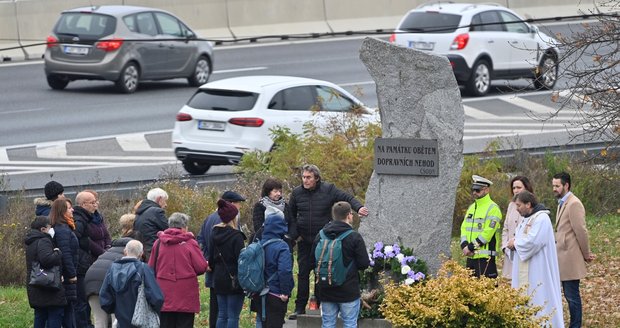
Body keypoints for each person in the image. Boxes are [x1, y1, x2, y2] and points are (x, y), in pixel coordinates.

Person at [288, 164, 368, 319]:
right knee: (303, 273)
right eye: (303, 177)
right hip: (304, 240)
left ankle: (319, 303)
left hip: (323, 241)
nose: (305, 180)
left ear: (316, 178)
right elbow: (291, 215)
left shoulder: (328, 189)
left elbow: (347, 198)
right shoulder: (297, 193)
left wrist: (358, 208)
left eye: (309, 177)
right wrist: (294, 234)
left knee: (322, 271)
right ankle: (299, 308)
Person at [507, 191, 564, 328]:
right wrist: (514, 242)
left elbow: (533, 242)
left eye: (519, 205)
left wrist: (514, 244)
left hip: (539, 271)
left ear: (528, 204)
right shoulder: (526, 219)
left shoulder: (541, 219)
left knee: (540, 297)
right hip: (527, 268)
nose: (517, 209)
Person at [311, 201, 370, 328]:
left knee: (327, 324)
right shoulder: (354, 237)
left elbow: (313, 260)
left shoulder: (320, 235)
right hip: (348, 290)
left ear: (334, 215)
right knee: (349, 324)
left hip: (326, 289)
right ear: (349, 215)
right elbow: (364, 263)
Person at [149, 212, 208, 328]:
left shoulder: (159, 243)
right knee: (185, 323)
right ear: (184, 227)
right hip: (186, 294)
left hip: (164, 293)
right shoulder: (190, 243)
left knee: (165, 324)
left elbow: (151, 267)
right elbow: (201, 267)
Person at [197, 190, 246, 328]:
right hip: (233, 278)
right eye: (237, 204)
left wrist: (208, 261)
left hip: (217, 276)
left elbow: (202, 242)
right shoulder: (237, 236)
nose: (239, 207)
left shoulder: (214, 230)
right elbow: (240, 259)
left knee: (221, 314)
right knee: (232, 316)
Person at [553, 172, 595, 328]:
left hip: (570, 258)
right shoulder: (563, 202)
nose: (554, 189)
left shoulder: (573, 203)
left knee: (572, 297)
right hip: (562, 257)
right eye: (553, 185)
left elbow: (581, 231)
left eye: (557, 186)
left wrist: (586, 254)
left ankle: (575, 325)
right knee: (568, 296)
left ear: (566, 185)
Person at [99, 240, 164, 328]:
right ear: (141, 254)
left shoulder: (112, 269)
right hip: (141, 320)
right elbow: (156, 298)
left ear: (125, 252)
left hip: (121, 321)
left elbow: (105, 298)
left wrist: (116, 310)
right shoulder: (143, 269)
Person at [73, 191, 111, 328]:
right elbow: (85, 241)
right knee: (84, 298)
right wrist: (102, 253)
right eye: (92, 202)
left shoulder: (97, 217)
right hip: (89, 261)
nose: (96, 204)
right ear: (83, 204)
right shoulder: (80, 219)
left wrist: (108, 247)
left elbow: (106, 234)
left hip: (101, 258)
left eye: (96, 201)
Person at [25, 216, 67, 328]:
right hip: (49, 287)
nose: (52, 229)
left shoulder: (31, 241)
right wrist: (58, 252)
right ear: (43, 229)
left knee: (40, 315)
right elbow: (47, 260)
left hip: (36, 284)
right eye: (50, 227)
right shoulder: (43, 240)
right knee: (54, 314)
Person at [255, 211, 294, 328]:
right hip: (276, 293)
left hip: (258, 292)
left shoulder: (258, 244)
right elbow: (284, 270)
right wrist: (285, 291)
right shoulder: (282, 246)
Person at [84, 236, 133, 328]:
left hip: (90, 284)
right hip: (109, 287)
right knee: (116, 319)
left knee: (99, 320)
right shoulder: (126, 257)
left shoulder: (105, 253)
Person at [460, 175, 502, 278]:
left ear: (486, 190)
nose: (474, 192)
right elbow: (464, 228)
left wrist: (470, 247)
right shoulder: (472, 207)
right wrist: (464, 245)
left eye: (477, 190)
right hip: (471, 257)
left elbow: (487, 234)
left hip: (486, 258)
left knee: (488, 291)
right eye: (473, 189)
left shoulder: (493, 208)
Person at [50, 198, 79, 328]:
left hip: (66, 275)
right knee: (67, 311)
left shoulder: (65, 227)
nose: (72, 210)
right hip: (67, 277)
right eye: (69, 208)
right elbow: (65, 253)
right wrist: (72, 274)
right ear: (62, 211)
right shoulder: (62, 229)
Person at [501, 176, 534, 279]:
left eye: (519, 187)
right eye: (514, 188)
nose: (516, 190)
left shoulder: (531, 207)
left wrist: (519, 245)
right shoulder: (511, 205)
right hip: (509, 252)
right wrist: (505, 246)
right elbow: (505, 228)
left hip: (523, 252)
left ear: (526, 188)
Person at [252, 178, 292, 245]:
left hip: (285, 242)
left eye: (280, 191)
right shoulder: (260, 206)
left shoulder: (285, 205)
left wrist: (289, 237)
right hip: (267, 243)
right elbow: (258, 227)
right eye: (275, 191)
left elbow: (292, 222)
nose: (279, 194)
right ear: (268, 192)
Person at [134, 187, 169, 260]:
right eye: (165, 201)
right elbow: (169, 231)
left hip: (144, 253)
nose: (166, 205)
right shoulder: (156, 211)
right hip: (156, 253)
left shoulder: (140, 213)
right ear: (159, 199)